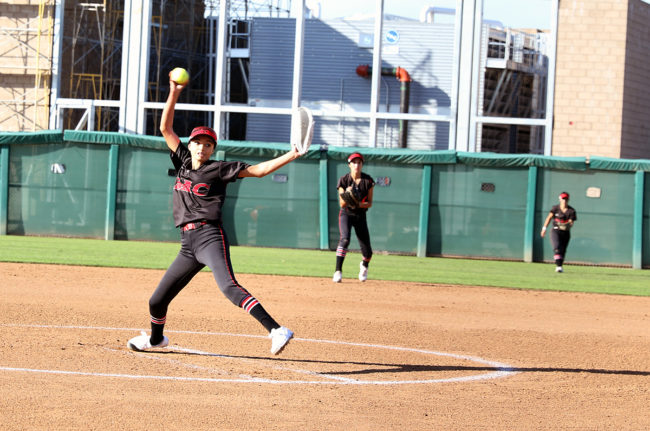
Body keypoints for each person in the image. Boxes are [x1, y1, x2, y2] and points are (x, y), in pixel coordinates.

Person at [127, 73, 301, 355]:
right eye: (198, 142)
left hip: (209, 237)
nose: (203, 147)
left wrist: (291, 155)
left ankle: (277, 329)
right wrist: (174, 92)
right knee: (157, 300)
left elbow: (257, 171)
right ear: (191, 144)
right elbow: (164, 127)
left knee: (229, 286)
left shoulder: (219, 169)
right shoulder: (183, 161)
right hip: (187, 245)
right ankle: (157, 339)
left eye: (209, 144)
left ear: (211, 150)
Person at [332, 152, 375, 283]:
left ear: (362, 165)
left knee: (367, 251)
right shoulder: (344, 180)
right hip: (346, 213)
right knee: (344, 240)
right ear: (349, 165)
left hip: (360, 215)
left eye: (359, 162)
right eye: (354, 162)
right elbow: (342, 203)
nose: (357, 165)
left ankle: (364, 265)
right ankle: (338, 271)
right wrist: (348, 195)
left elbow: (369, 203)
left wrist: (358, 203)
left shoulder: (368, 181)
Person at [540, 191, 577, 273]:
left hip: (565, 232)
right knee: (557, 248)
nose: (564, 200)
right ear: (560, 199)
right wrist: (544, 228)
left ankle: (560, 265)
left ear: (568, 200)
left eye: (566, 199)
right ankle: (559, 266)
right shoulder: (555, 208)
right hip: (555, 230)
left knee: (563, 250)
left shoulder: (571, 211)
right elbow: (549, 218)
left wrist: (568, 224)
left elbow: (571, 222)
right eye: (563, 199)